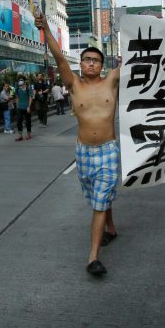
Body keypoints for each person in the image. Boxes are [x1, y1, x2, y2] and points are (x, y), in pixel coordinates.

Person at [36, 14, 120, 277]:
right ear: (81, 64)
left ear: (102, 65)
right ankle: (112, 230)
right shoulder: (73, 84)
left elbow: (139, 62)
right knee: (98, 196)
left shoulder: (113, 81)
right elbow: (60, 57)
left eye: (96, 60)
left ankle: (92, 257)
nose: (91, 63)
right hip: (83, 152)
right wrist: (47, 28)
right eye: (87, 59)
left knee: (98, 202)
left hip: (108, 151)